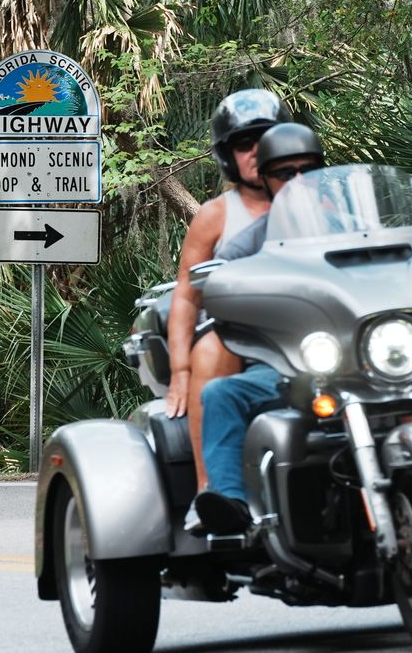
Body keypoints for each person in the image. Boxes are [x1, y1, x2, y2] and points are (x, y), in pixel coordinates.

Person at [165, 89, 292, 533]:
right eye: (244, 144)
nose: (256, 151)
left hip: (308, 332)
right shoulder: (217, 215)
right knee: (212, 349)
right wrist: (180, 369)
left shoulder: (318, 202)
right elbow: (186, 295)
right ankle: (210, 490)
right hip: (239, 334)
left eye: (266, 139)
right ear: (228, 156)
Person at [192, 122, 326, 535]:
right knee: (220, 393)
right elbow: (213, 296)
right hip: (285, 366)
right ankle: (231, 502)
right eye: (286, 173)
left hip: (365, 358)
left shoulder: (354, 225)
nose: (298, 180)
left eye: (308, 170)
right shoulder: (247, 245)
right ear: (266, 180)